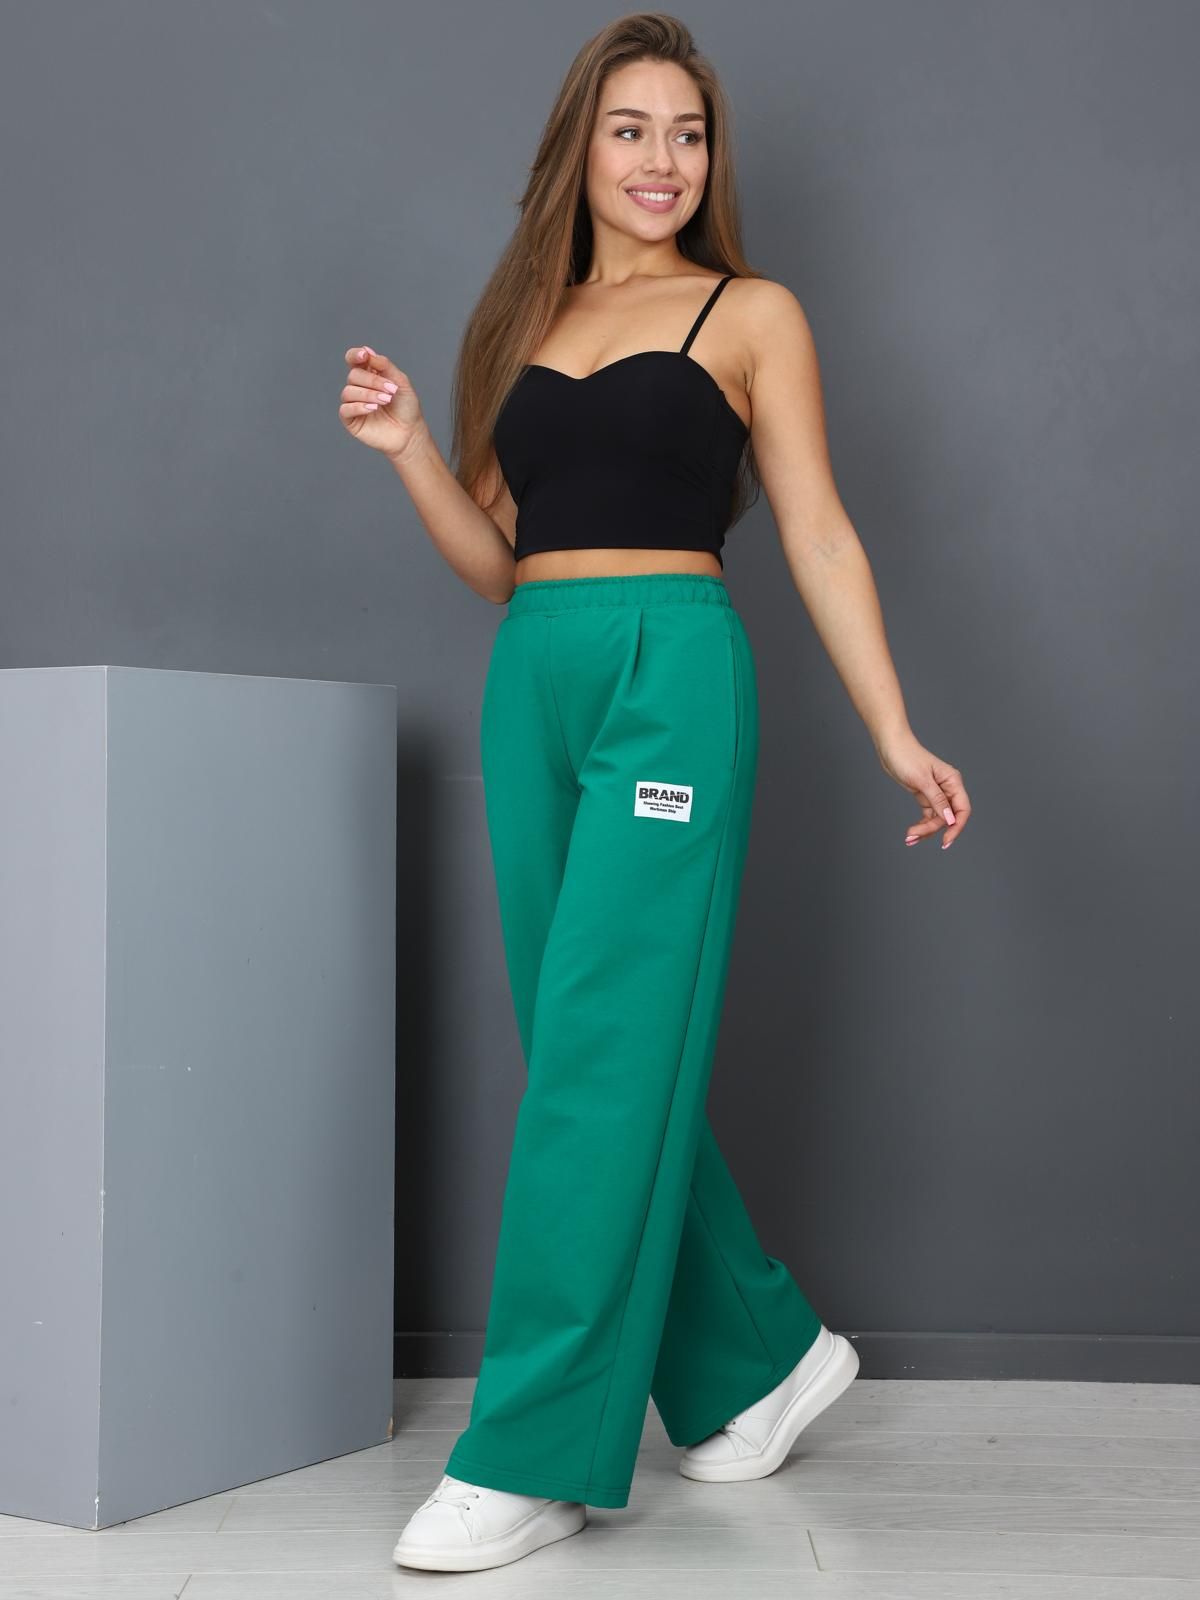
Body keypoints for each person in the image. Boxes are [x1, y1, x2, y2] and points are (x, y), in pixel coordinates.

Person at [339, 13, 971, 1577]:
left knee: (603, 1055)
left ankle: (532, 1454)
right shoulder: (523, 320)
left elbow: (817, 529)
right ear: (583, 147)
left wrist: (893, 726)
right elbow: (501, 560)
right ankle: (760, 1356)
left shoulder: (749, 313)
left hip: (670, 675)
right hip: (535, 677)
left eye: (688, 133)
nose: (662, 159)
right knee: (588, 1050)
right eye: (632, 128)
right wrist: (412, 448)